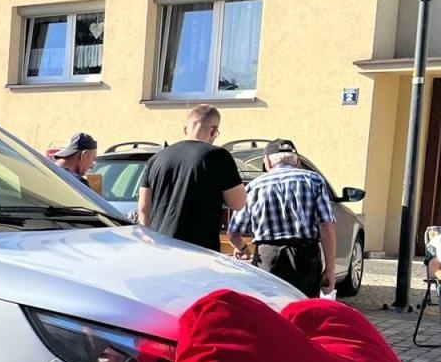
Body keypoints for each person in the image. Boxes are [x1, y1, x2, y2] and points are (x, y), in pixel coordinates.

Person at [227, 139, 337, 298]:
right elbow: (326, 225)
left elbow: (233, 234)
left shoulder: (254, 186)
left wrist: (244, 249)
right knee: (304, 310)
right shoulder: (314, 181)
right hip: (305, 256)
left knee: (272, 312)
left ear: (267, 162)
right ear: (297, 161)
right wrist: (330, 270)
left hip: (268, 257)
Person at [136, 104, 247, 250]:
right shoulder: (218, 156)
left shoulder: (156, 158)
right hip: (199, 248)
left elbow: (143, 208)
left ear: (185, 129)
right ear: (213, 131)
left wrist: (147, 239)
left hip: (160, 246)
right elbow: (238, 203)